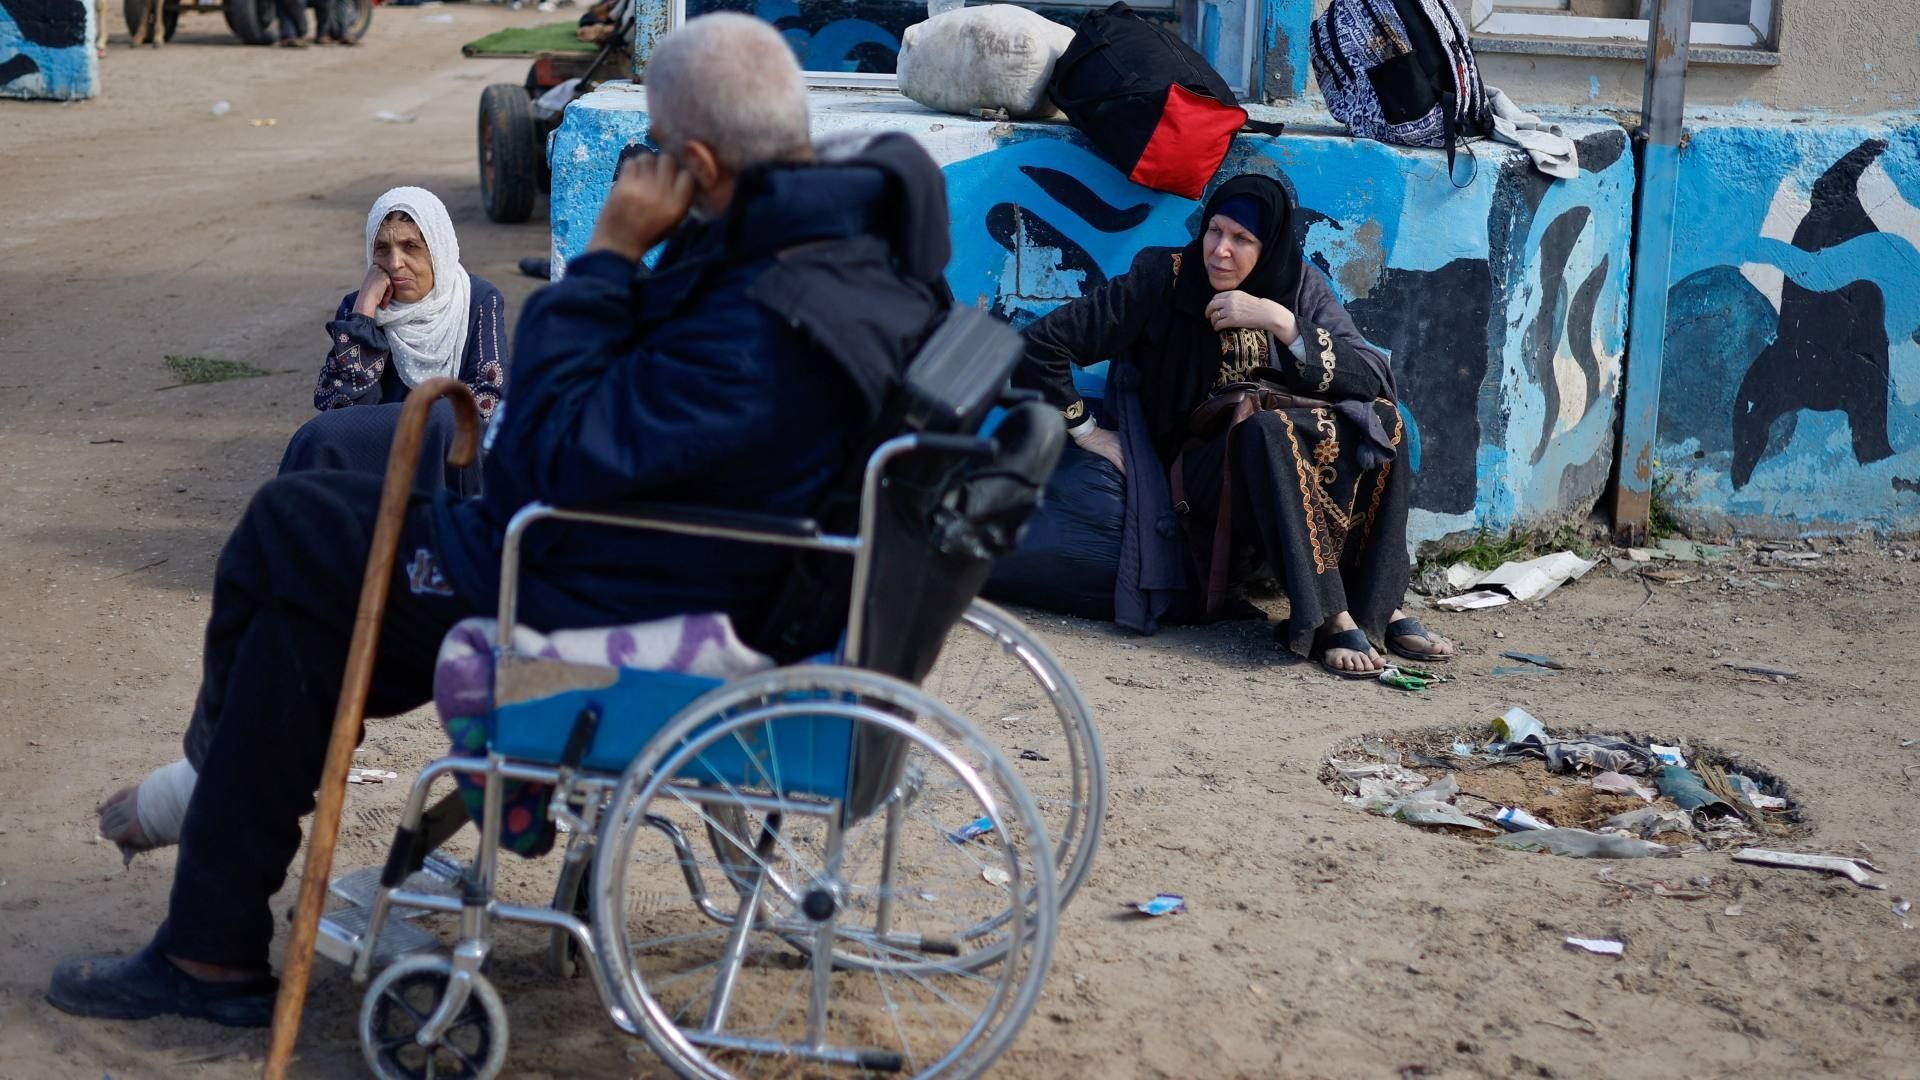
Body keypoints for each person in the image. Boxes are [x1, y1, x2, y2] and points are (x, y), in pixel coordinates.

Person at [53, 11, 953, 1026]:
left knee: (290, 529)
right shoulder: (838, 247)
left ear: (700, 160)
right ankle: (210, 940)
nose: (649, 171)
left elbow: (544, 465)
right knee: (311, 563)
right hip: (666, 543)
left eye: (660, 153)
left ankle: (207, 841)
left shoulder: (776, 311)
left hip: (598, 575)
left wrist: (608, 259)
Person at [1016, 174, 1454, 678]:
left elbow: (1373, 374)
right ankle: (1330, 617)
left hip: (1286, 458)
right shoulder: (1165, 277)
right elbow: (1042, 345)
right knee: (1268, 433)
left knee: (1385, 421)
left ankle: (1382, 605)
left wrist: (1279, 322)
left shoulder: (1298, 287)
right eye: (1214, 232)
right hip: (1198, 471)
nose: (1221, 252)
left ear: (1269, 247)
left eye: (1242, 240)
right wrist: (1087, 430)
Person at [276, 188, 507, 497]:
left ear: (438, 248)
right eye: (382, 248)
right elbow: (343, 408)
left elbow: (486, 402)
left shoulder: (477, 299)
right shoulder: (358, 308)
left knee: (448, 417)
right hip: (382, 456)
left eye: (411, 246)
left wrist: (424, 427)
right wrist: (364, 315)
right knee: (315, 437)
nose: (395, 263)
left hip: (456, 461)